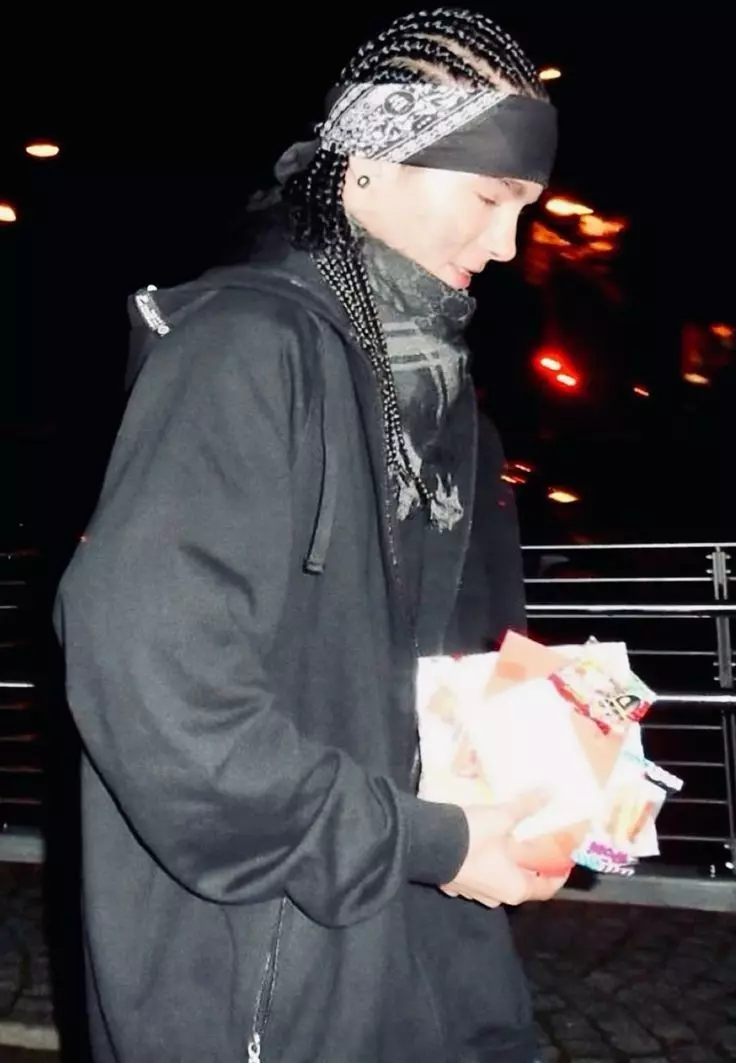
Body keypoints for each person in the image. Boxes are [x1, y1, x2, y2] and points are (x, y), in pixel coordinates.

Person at [55, 8, 567, 1061]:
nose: (506, 245)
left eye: (525, 209)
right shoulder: (241, 352)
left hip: (442, 964)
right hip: (264, 977)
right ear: (369, 161)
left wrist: (552, 772)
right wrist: (432, 841)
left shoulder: (453, 405)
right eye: (488, 198)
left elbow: (456, 667)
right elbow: (157, 692)